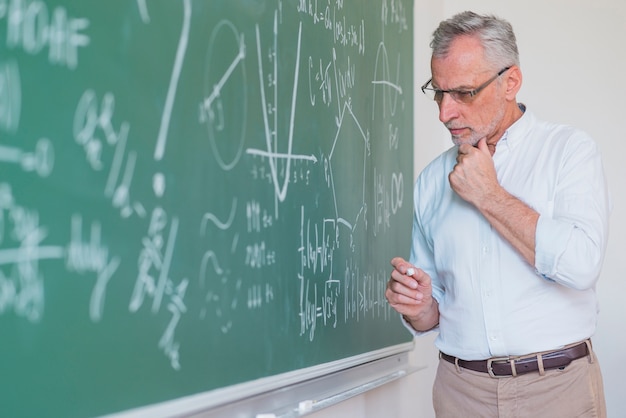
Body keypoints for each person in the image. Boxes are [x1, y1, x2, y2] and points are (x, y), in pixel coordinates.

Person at [385, 11, 610, 417]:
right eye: (438, 92)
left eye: (463, 93)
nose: (444, 113)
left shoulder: (569, 152)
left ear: (511, 82)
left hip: (557, 389)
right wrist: (419, 308)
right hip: (460, 392)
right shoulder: (431, 181)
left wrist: (489, 195)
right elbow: (433, 311)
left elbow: (581, 266)